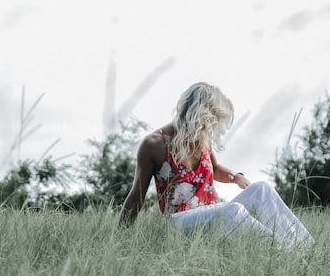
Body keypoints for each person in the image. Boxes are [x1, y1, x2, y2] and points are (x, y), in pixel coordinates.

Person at [120, 82, 313, 250]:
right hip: (176, 225)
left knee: (261, 189)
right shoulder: (153, 144)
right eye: (211, 121)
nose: (211, 128)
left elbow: (215, 168)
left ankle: (307, 250)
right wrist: (122, 241)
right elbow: (136, 195)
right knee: (233, 210)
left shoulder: (201, 139)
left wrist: (235, 176)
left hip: (211, 215)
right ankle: (284, 254)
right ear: (199, 115)